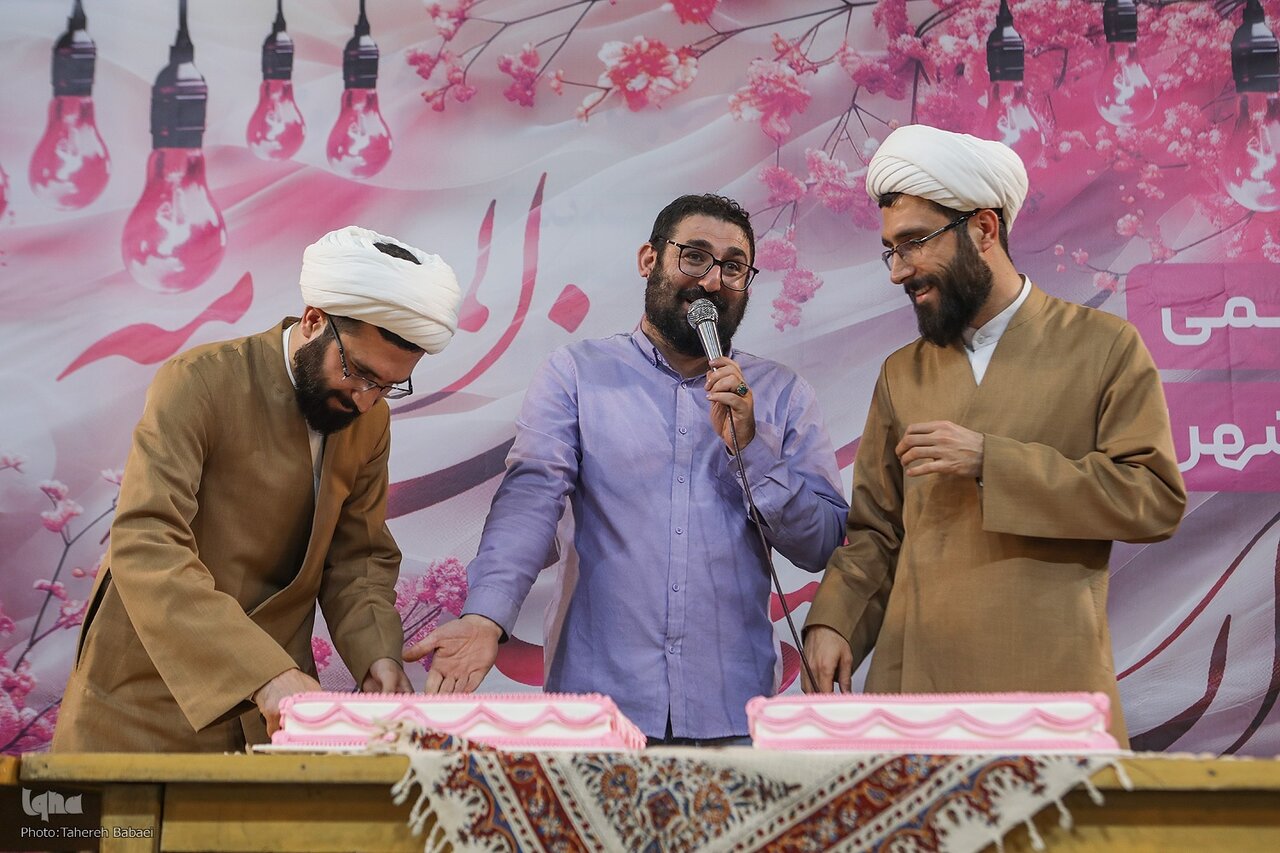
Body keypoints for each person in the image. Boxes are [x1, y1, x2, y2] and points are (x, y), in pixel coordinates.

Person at [407, 194, 848, 744]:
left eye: (734, 267)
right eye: (695, 257)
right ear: (649, 260)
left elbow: (822, 544)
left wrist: (752, 448)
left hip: (733, 714)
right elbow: (530, 500)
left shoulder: (782, 395)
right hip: (598, 713)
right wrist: (486, 617)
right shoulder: (576, 375)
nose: (713, 281)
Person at [801, 125, 1187, 745]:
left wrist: (992, 461)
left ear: (983, 229)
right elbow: (877, 531)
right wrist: (835, 621)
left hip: (1048, 687)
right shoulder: (902, 373)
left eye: (913, 243)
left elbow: (1153, 497)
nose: (898, 271)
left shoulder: (1104, 346)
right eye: (890, 251)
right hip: (917, 689)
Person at [53, 226, 462, 752]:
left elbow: (357, 557)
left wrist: (377, 657)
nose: (365, 399)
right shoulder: (198, 381)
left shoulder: (370, 419)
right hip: (147, 697)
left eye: (387, 386)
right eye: (358, 372)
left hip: (276, 712)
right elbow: (146, 543)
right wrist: (264, 672)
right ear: (313, 320)